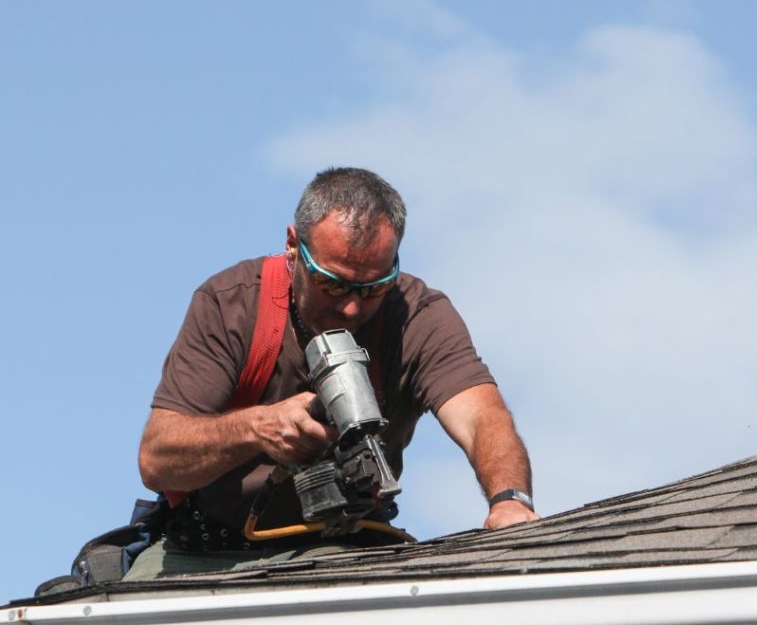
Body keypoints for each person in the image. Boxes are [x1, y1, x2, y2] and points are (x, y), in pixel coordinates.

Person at [131, 168, 536, 576]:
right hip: (207, 549)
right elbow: (157, 459)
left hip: (344, 545)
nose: (352, 309)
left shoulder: (418, 316)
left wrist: (510, 500)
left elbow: (482, 416)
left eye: (374, 288)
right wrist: (257, 429)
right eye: (334, 285)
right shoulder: (231, 304)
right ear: (293, 246)